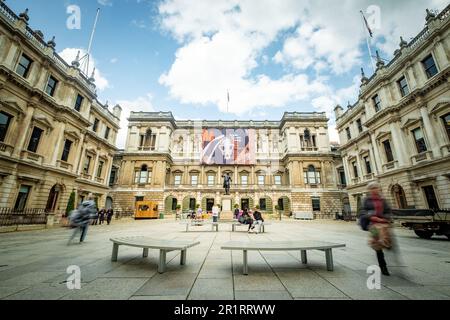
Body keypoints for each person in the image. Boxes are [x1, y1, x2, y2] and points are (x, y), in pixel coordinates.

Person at [360, 182, 393, 276]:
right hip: (373, 225)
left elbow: (388, 212)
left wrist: (383, 218)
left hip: (384, 225)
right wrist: (371, 216)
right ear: (369, 190)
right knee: (377, 245)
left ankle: (386, 245)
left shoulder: (383, 200)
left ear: (379, 189)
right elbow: (362, 212)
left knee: (386, 242)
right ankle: (383, 266)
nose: (374, 190)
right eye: (372, 188)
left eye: (376, 188)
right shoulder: (366, 200)